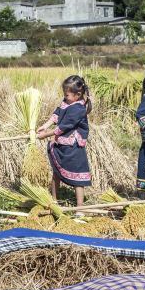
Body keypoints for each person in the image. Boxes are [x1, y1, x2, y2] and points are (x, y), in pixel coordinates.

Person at [35, 75, 91, 207]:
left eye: (67, 95)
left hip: (74, 147)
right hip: (62, 144)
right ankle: (53, 200)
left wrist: (46, 135)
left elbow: (63, 127)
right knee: (57, 171)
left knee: (79, 178)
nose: (65, 97)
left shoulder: (78, 108)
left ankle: (80, 207)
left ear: (78, 94)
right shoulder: (67, 102)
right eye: (64, 94)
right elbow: (57, 113)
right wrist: (45, 126)